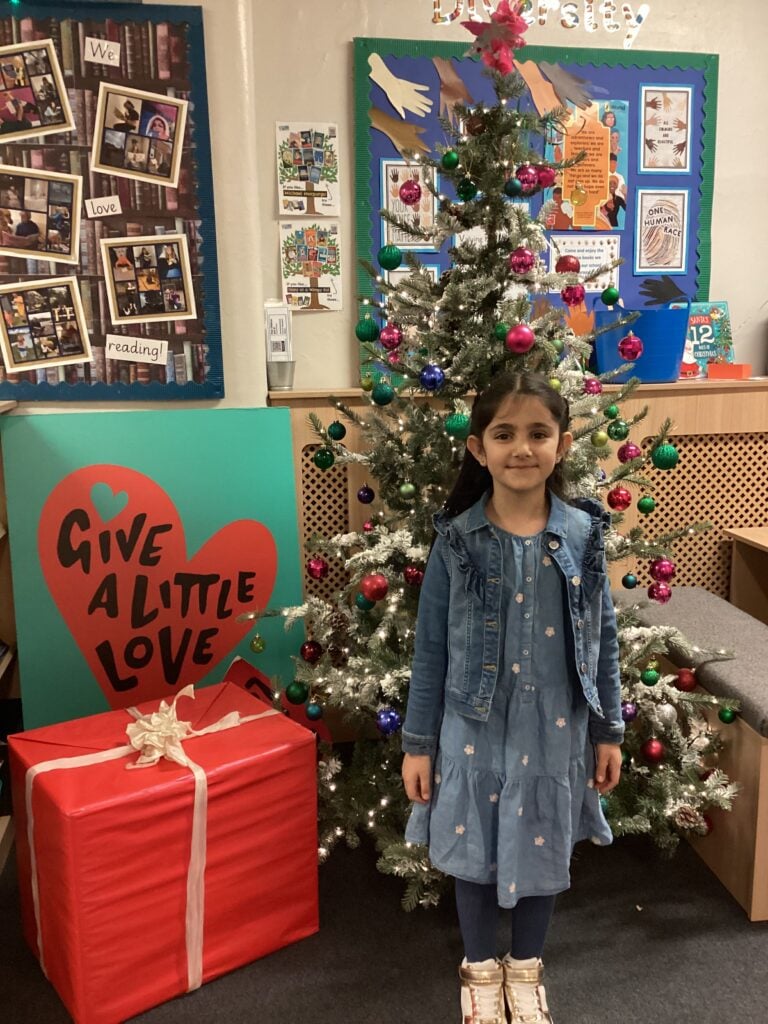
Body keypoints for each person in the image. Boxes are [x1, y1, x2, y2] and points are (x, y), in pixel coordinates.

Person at [401, 371, 624, 1024]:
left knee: (541, 840)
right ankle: (479, 970)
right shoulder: (457, 542)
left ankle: (525, 969)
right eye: (504, 434)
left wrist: (607, 730)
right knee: (471, 849)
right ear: (479, 449)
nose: (521, 448)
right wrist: (418, 745)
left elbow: (602, 640)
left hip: (555, 731)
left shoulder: (583, 537)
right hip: (471, 729)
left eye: (537, 433)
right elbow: (430, 652)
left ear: (562, 442)